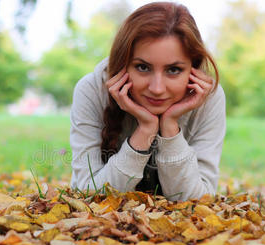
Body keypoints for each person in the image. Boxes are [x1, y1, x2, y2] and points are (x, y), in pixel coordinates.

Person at [70, 2, 226, 201]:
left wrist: (170, 128)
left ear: (192, 70)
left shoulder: (208, 98)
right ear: (122, 64)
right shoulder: (92, 90)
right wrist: (145, 131)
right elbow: (87, 195)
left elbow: (197, 201)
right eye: (143, 67)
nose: (157, 88)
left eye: (173, 70)